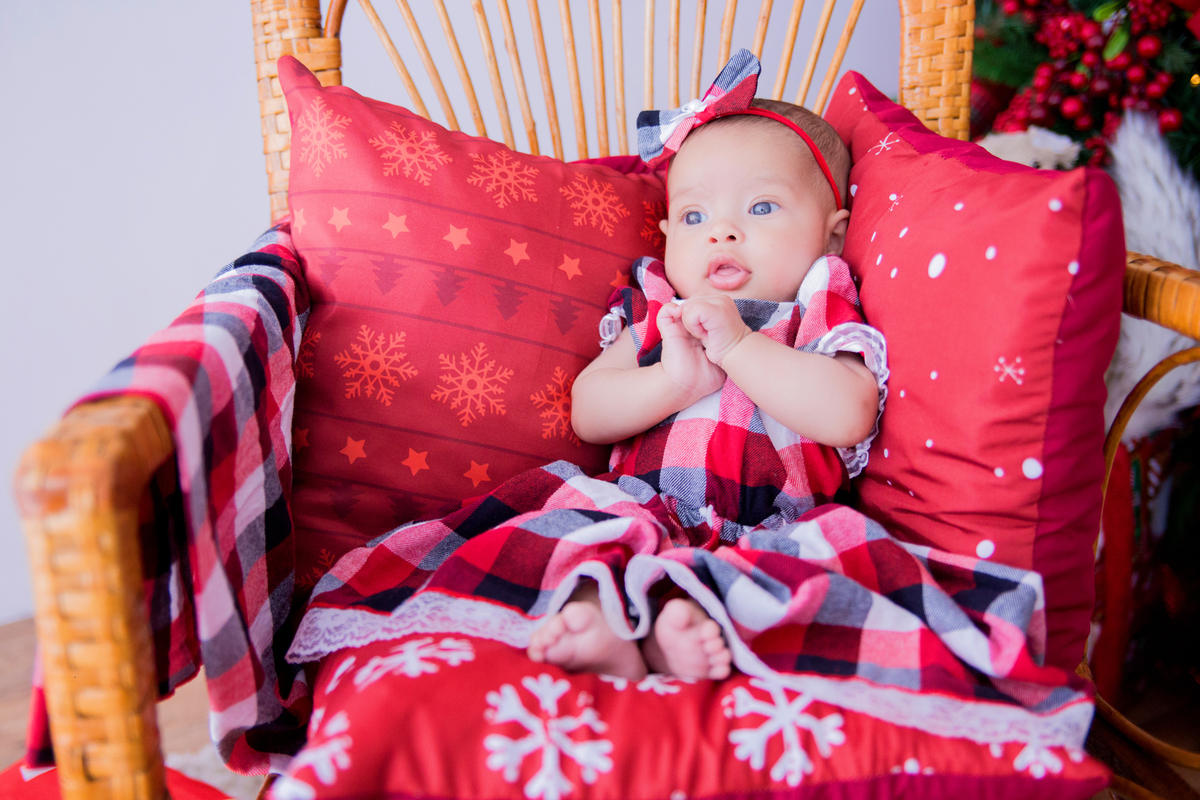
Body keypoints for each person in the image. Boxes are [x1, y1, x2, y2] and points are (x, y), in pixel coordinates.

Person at [525, 50, 884, 682]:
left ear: (832, 236)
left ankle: (672, 636)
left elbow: (849, 412)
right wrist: (670, 381)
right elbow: (588, 412)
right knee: (587, 537)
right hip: (646, 508)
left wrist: (742, 347)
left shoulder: (814, 303)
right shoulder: (664, 306)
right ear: (666, 234)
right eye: (695, 217)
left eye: (762, 208)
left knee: (785, 580)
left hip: (773, 525)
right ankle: (602, 621)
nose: (721, 232)